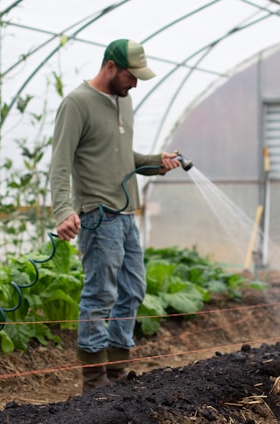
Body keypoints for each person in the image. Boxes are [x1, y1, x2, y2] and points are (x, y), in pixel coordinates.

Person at [49, 39, 181, 393]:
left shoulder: (125, 101)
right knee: (100, 295)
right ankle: (94, 383)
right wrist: (63, 210)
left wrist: (156, 162)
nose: (135, 83)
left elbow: (122, 157)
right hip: (98, 217)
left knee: (133, 289)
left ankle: (117, 376)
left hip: (126, 216)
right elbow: (60, 163)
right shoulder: (77, 104)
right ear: (110, 66)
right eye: (131, 75)